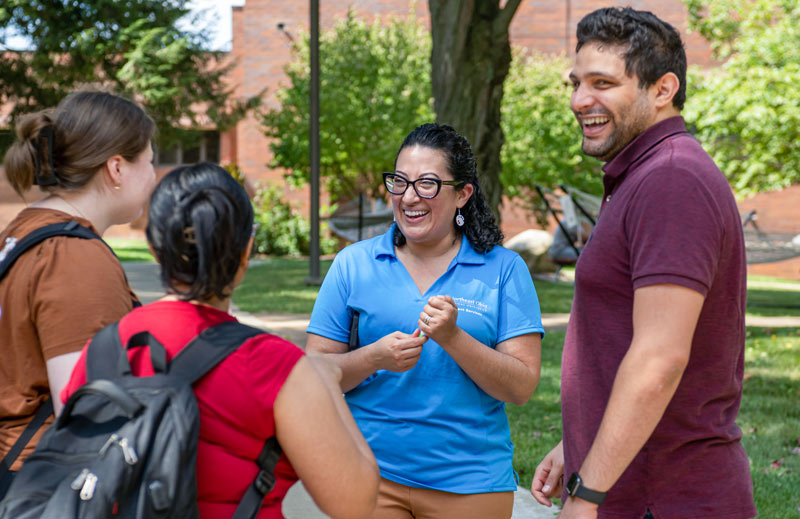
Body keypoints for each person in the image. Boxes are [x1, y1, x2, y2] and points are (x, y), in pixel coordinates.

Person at [530, 7, 756, 519]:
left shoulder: (671, 180)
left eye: (603, 82)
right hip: (635, 485)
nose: (580, 100)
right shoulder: (644, 175)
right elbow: (622, 340)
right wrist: (581, 445)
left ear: (662, 89)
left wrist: (587, 496)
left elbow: (659, 358)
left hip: (665, 498)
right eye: (577, 82)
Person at [61, 162, 380, 518]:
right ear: (246, 251)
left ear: (154, 247)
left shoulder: (105, 348)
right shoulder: (278, 367)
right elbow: (356, 502)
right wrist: (325, 378)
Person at [307, 123, 544, 519]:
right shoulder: (354, 263)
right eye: (399, 182)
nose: (409, 197)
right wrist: (374, 358)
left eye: (428, 184)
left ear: (463, 194)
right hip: (368, 476)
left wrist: (453, 338)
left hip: (471, 485)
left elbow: (520, 388)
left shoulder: (504, 270)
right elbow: (313, 374)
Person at [0, 91, 156, 489]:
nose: (153, 176)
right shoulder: (73, 257)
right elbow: (88, 410)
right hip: (49, 484)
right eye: (150, 162)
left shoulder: (24, 230)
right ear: (117, 169)